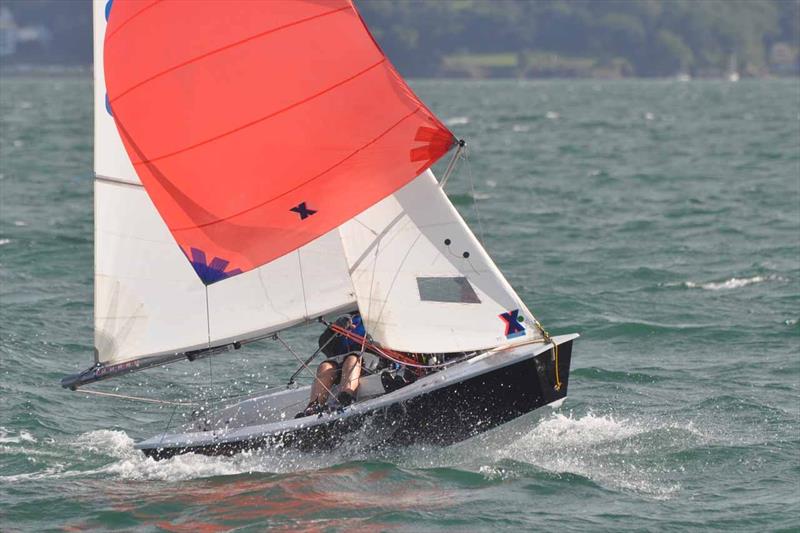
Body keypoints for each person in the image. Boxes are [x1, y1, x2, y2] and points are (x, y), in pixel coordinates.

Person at [297, 313, 366, 417]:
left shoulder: (371, 320)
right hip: (340, 362)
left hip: (366, 360)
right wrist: (334, 329)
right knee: (325, 367)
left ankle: (347, 397)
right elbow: (324, 347)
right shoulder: (346, 319)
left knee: (351, 359)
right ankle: (314, 407)